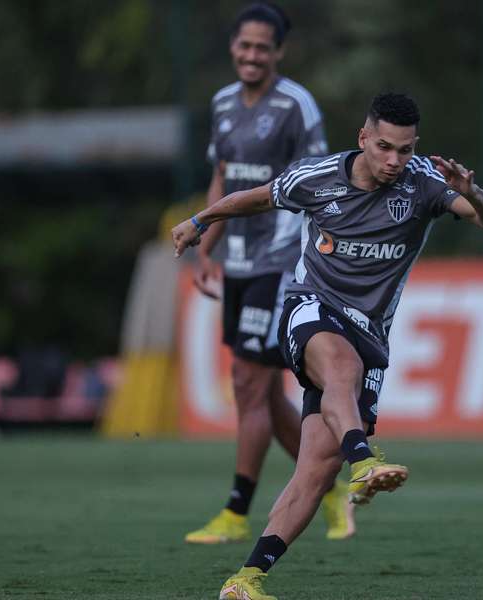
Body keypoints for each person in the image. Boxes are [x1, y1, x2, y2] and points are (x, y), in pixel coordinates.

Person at [172, 92, 483, 599]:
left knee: (314, 470)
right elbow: (257, 196)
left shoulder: (425, 184)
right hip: (310, 308)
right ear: (363, 138)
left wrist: (475, 193)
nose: (394, 160)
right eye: (384, 147)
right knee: (339, 366)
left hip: (372, 332)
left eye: (404, 148)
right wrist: (201, 221)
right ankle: (364, 459)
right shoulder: (318, 177)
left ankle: (245, 579)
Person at [184, 1, 354, 546]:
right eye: (244, 45)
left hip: (282, 261)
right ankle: (327, 486)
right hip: (236, 261)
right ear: (233, 46)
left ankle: (236, 512)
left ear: (278, 52)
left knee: (251, 385)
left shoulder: (296, 106)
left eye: (263, 47)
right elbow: (222, 175)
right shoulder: (223, 103)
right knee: (257, 389)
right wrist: (206, 243)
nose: (252, 54)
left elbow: (322, 179)